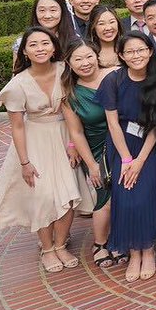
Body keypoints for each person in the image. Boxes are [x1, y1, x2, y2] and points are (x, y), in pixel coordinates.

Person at [0, 27, 88, 273]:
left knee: (68, 195)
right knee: (42, 196)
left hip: (64, 137)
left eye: (45, 43)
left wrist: (73, 144)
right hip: (35, 139)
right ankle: (47, 248)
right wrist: (24, 163)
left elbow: (72, 110)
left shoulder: (64, 70)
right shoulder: (18, 84)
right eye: (33, 45)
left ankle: (61, 244)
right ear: (25, 52)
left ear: (53, 47)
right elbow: (17, 127)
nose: (40, 48)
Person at [100, 31, 156, 282]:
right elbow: (112, 122)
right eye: (129, 51)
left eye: (141, 50)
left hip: (149, 147)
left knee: (145, 197)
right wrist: (127, 160)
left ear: (150, 51)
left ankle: (149, 249)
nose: (136, 55)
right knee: (126, 196)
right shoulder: (113, 80)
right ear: (120, 55)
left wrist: (140, 160)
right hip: (121, 145)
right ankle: (134, 252)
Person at [63, 38, 116, 267]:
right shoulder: (70, 94)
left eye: (88, 56)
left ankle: (122, 237)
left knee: (125, 194)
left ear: (97, 56)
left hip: (124, 142)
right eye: (78, 59)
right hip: (95, 148)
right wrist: (92, 164)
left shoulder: (115, 75)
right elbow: (76, 133)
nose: (85, 63)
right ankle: (100, 243)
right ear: (69, 63)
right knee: (104, 197)